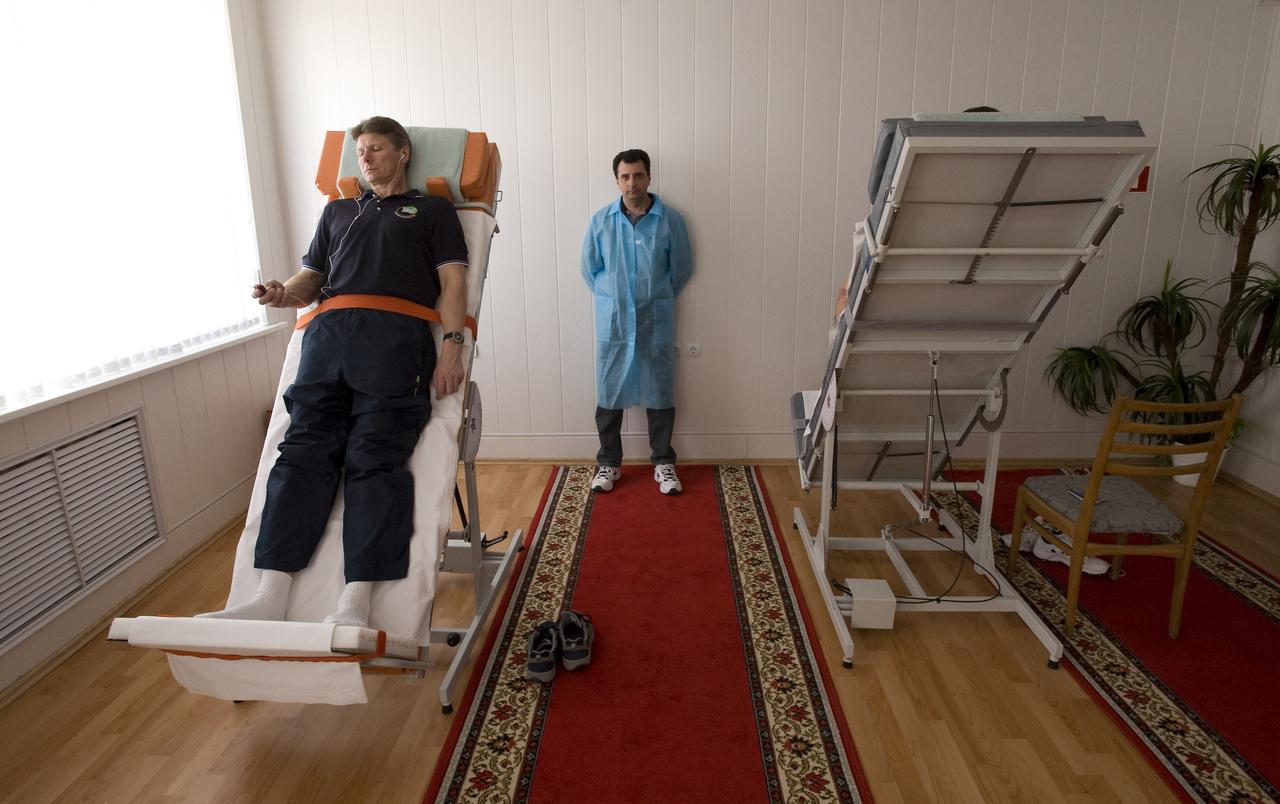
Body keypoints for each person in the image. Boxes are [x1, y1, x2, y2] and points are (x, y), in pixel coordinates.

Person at [200, 116, 469, 627]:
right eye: (360, 151)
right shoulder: (338, 212)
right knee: (302, 452)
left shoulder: (432, 211)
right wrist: (283, 292)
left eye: (376, 148)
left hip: (394, 344)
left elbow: (453, 282)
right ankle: (268, 597)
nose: (365, 158)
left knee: (375, 457)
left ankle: (354, 605)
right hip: (326, 344)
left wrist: (452, 347)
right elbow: (311, 278)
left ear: (403, 153)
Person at [581, 149, 692, 495]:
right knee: (609, 391)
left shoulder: (670, 221)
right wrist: (614, 298)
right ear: (617, 180)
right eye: (625, 176)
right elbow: (589, 268)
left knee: (659, 391)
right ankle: (608, 463)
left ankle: (663, 463)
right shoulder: (601, 222)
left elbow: (681, 269)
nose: (632, 183)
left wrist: (654, 297)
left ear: (649, 177)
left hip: (654, 320)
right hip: (613, 323)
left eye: (638, 175)